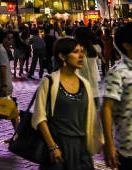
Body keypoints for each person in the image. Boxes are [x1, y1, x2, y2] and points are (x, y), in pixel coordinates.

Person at [32, 37, 102, 170]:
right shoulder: (49, 82)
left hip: (82, 149)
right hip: (59, 148)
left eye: (82, 51)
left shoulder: (85, 84)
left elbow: (91, 117)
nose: (81, 55)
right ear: (62, 56)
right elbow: (40, 118)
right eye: (76, 52)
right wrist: (52, 146)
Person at [102, 22, 132, 169]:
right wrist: (109, 144)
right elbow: (106, 109)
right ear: (127, 45)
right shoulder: (118, 72)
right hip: (131, 149)